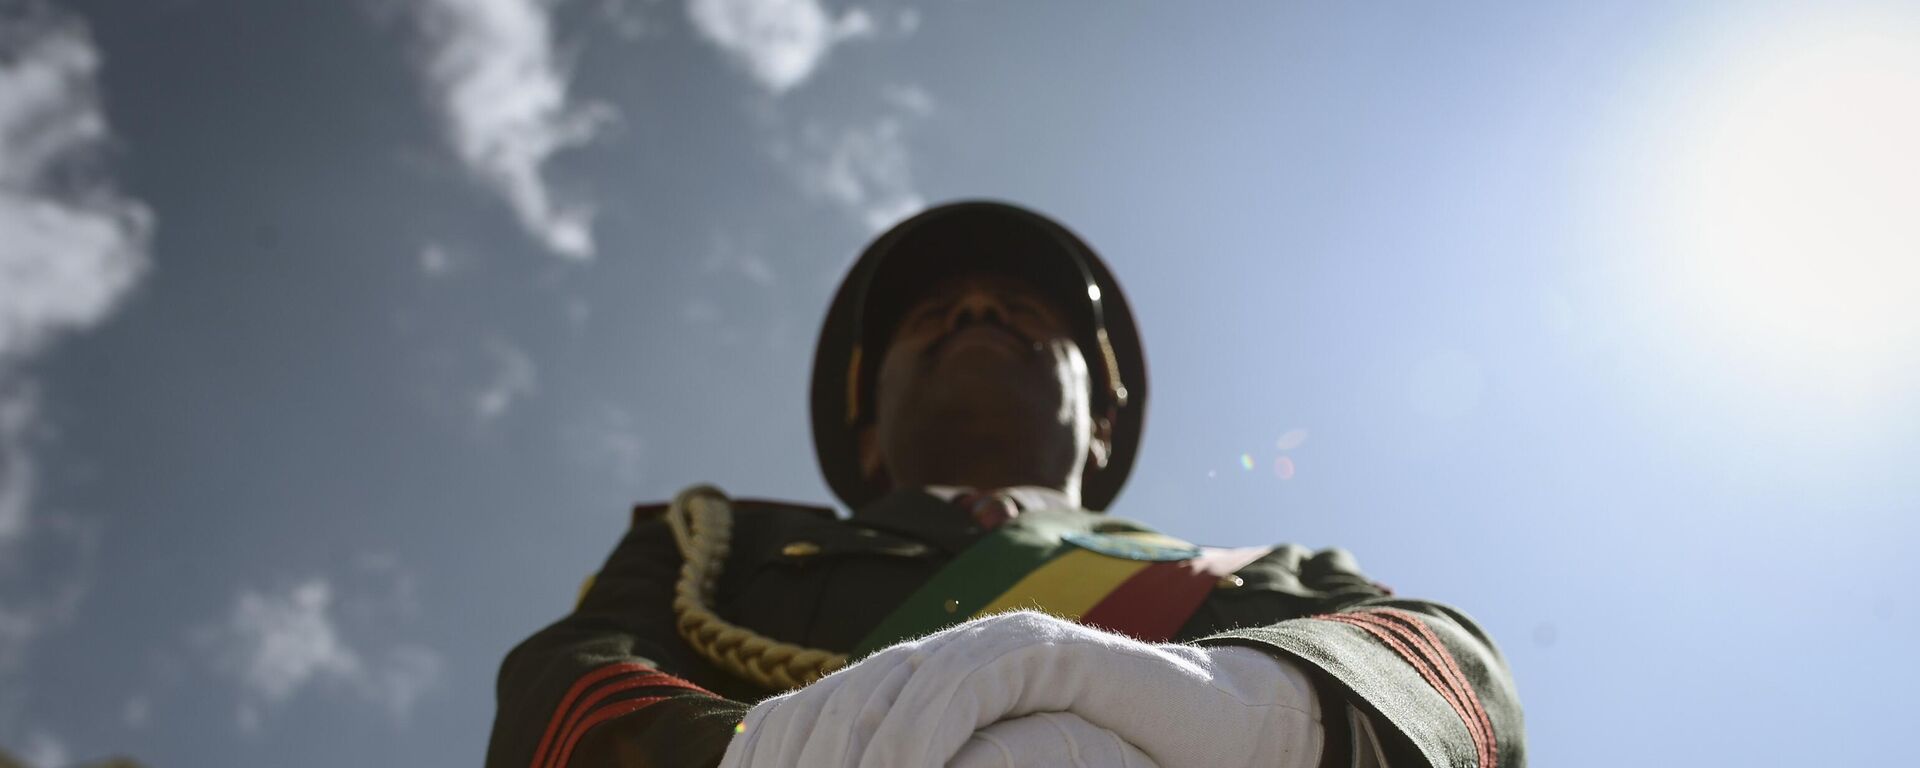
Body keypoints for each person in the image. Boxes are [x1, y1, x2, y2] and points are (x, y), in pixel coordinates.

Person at [485, 201, 1525, 767]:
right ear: (866, 418)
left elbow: (1451, 679)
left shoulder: (1262, 576)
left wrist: (1268, 714)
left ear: (1102, 414)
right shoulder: (711, 544)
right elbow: (564, 690)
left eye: (1026, 310)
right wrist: (745, 761)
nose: (978, 311)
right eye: (934, 312)